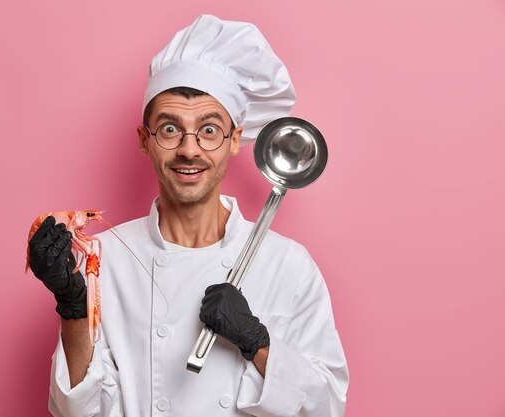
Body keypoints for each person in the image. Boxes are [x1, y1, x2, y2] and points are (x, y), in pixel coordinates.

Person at [28, 14, 348, 417]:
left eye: (210, 130)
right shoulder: (100, 260)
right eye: (169, 129)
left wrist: (256, 342)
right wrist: (73, 308)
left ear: (235, 140)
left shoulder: (289, 265)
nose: (189, 150)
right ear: (145, 141)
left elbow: (328, 407)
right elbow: (77, 414)